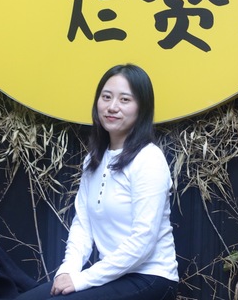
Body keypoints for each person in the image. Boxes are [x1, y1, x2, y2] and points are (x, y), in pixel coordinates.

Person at [19, 63, 178, 300]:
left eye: (125, 100)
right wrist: (68, 270)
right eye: (106, 97)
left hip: (150, 278)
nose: (112, 107)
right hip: (111, 277)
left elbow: (143, 241)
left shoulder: (149, 159)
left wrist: (82, 280)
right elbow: (83, 225)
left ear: (142, 108)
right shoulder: (93, 160)